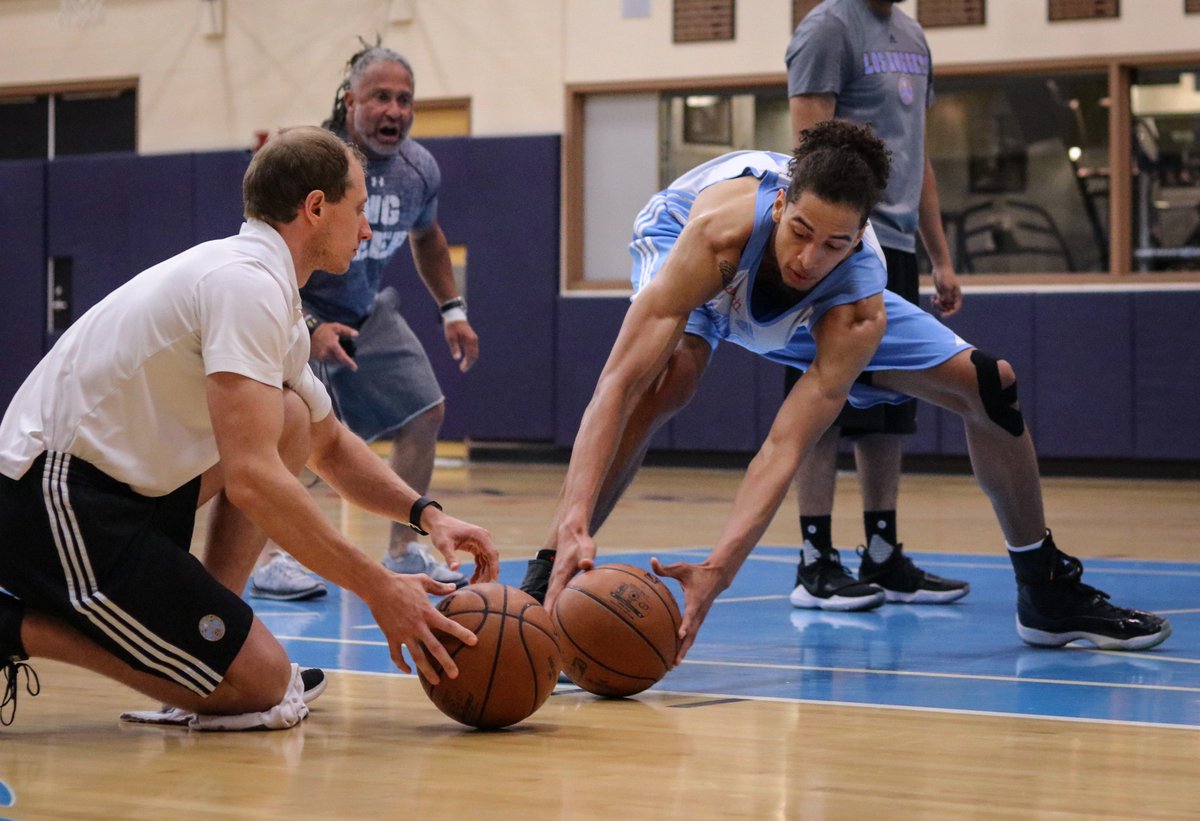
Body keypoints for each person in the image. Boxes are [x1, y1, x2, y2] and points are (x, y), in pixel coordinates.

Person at [521, 120, 1170, 663]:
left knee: (992, 387)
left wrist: (720, 567)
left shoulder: (856, 299)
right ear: (780, 206)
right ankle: (545, 578)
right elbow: (616, 382)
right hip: (692, 250)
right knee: (668, 379)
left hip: (811, 316)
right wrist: (573, 515)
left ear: (858, 238)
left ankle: (1045, 591)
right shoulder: (714, 234)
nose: (808, 256)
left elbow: (785, 444)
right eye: (800, 231)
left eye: (834, 242)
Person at [0, 126, 498, 730]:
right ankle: (14, 629)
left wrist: (429, 515)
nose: (367, 230)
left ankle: (206, 647)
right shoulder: (245, 285)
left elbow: (329, 445)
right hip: (55, 498)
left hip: (123, 492)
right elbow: (253, 482)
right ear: (316, 207)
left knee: (291, 417)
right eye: (360, 209)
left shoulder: (270, 291)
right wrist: (380, 588)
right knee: (262, 687)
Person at [249, 42, 480, 599]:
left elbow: (428, 238)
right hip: (293, 302)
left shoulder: (419, 169)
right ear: (350, 101)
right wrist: (305, 325)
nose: (394, 110)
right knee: (287, 433)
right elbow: (264, 251)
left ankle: (404, 549)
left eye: (405, 99)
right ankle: (268, 559)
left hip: (366, 310)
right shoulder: (310, 159)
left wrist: (452, 309)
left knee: (426, 410)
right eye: (380, 97)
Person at [782, 0, 966, 612]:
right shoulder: (828, 28)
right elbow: (809, 153)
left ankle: (882, 554)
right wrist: (827, 248)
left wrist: (938, 254)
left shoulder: (914, 34)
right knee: (822, 404)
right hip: (842, 248)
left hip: (899, 246)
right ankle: (814, 561)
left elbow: (917, 157)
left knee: (891, 404)